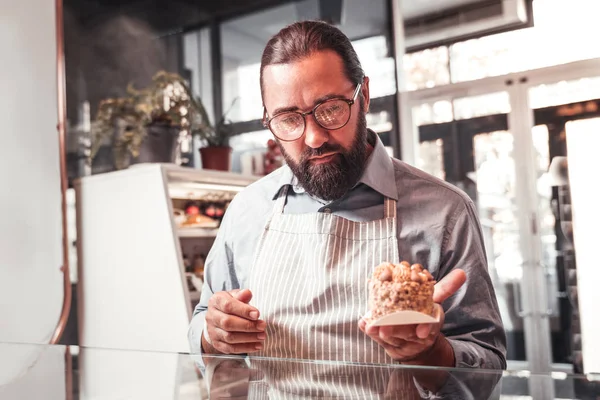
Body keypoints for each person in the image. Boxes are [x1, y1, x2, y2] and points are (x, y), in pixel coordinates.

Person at [189, 20, 506, 369]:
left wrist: (429, 352)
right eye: (288, 119)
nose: (313, 138)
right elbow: (204, 321)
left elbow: (487, 362)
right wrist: (213, 334)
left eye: (330, 109)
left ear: (364, 96)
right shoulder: (247, 209)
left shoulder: (446, 212)